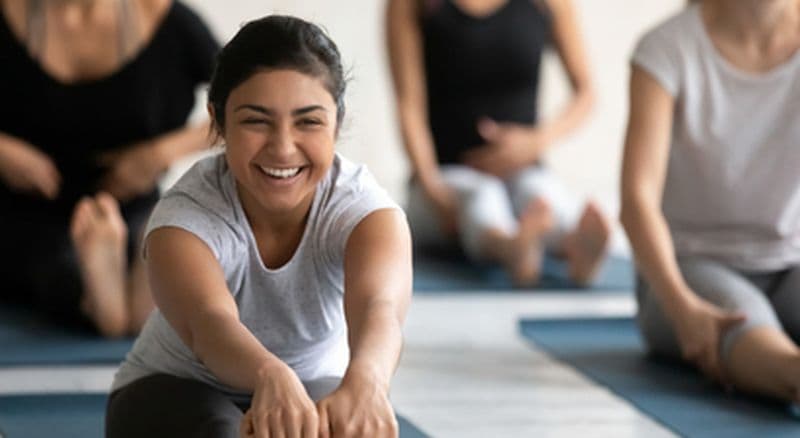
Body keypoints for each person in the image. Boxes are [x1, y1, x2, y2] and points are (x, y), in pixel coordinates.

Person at [105, 15, 412, 438]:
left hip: (308, 390)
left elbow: (379, 308)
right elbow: (209, 324)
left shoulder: (366, 211)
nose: (283, 148)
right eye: (256, 120)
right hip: (174, 390)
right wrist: (270, 373)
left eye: (309, 121)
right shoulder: (183, 219)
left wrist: (368, 382)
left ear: (336, 124)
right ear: (217, 121)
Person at [0, 0, 219, 337]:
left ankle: (126, 294)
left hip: (127, 209)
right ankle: (102, 301)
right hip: (24, 212)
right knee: (56, 264)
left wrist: (159, 153)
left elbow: (250, 105)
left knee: (163, 251)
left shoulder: (167, 20)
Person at [621, 0, 800, 402]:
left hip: (788, 263)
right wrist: (680, 304)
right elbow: (637, 200)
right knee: (759, 340)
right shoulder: (667, 48)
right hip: (687, 270)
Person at [386, 0, 611, 286]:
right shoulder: (411, 5)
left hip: (524, 171)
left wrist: (536, 141)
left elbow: (586, 93)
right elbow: (408, 105)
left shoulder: (550, 4)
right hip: (443, 176)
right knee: (483, 196)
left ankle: (574, 246)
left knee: (541, 194)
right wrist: (432, 187)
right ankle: (511, 247)